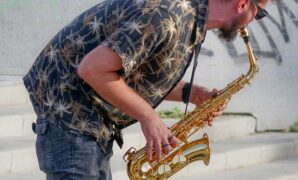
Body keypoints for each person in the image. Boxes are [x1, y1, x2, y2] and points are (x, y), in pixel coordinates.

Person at [23, 0, 271, 179]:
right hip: (71, 114)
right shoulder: (166, 15)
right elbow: (92, 70)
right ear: (242, 4)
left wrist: (191, 93)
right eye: (259, 13)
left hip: (91, 120)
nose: (254, 20)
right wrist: (148, 116)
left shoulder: (189, 19)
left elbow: (130, 72)